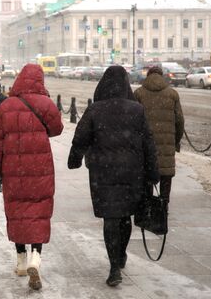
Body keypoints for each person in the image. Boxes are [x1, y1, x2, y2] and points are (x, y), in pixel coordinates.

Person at [67, 65, 159, 287]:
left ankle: (114, 266)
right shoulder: (136, 110)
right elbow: (149, 143)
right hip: (131, 174)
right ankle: (121, 254)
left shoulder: (95, 110)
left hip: (104, 173)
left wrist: (75, 159)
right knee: (125, 217)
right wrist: (153, 171)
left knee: (111, 218)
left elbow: (80, 138)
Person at [0, 64, 63, 290]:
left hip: (14, 171)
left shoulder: (6, 106)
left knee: (18, 213)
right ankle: (36, 258)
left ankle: (21, 261)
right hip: (40, 170)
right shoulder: (46, 104)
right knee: (39, 213)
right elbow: (57, 129)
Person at [134, 66, 184, 206]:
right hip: (166, 145)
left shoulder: (138, 93)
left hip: (145, 146)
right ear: (162, 76)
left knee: (147, 175)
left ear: (148, 76)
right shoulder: (172, 94)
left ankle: (147, 207)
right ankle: (163, 206)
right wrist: (175, 141)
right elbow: (179, 120)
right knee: (166, 175)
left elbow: (133, 120)